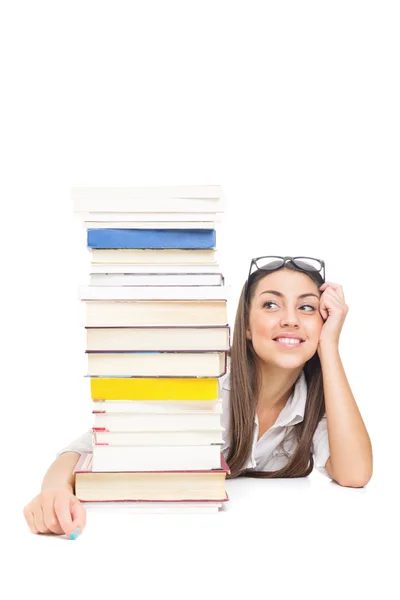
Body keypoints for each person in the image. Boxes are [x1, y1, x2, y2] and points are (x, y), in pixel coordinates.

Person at [23, 256, 373, 538]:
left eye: (307, 308)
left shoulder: (314, 400)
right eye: (271, 305)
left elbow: (355, 474)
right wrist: (54, 492)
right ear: (247, 327)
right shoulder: (206, 383)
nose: (290, 320)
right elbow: (86, 447)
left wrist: (329, 346)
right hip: (163, 534)